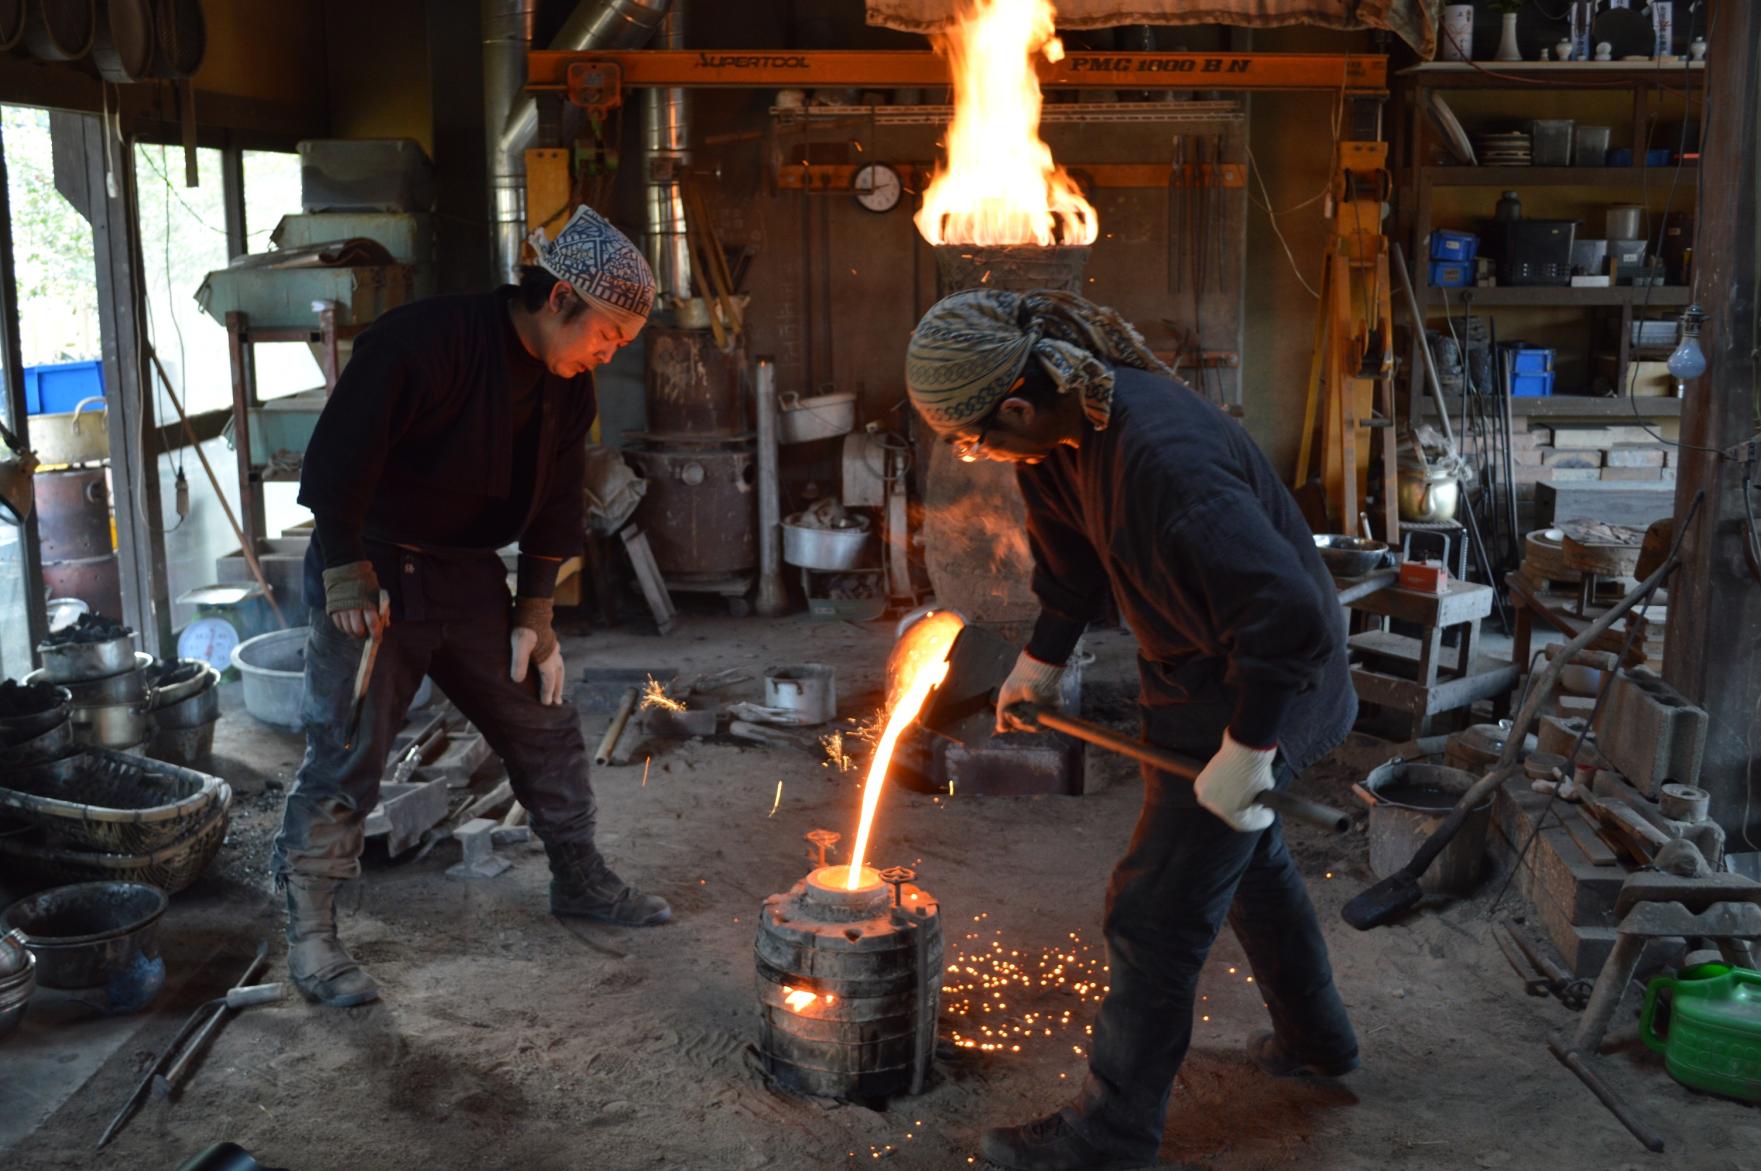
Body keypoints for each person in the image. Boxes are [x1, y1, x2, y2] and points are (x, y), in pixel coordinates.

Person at [905, 290, 1360, 1171]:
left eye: (974, 437)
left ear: (1015, 404)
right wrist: (1037, 659)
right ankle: (1319, 1043)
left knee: (1153, 912)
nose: (977, 454)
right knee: (1248, 864)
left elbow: (1291, 620)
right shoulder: (1059, 431)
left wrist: (1250, 747)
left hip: (1268, 682)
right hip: (1191, 672)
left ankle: (1108, 1138)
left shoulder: (1163, 462)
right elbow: (1072, 564)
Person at [270, 206, 671, 1009]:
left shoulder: (568, 389)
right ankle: (313, 934)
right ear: (558, 298)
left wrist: (536, 613)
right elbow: (338, 454)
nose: (608, 351)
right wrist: (344, 569)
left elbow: (558, 501)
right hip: (374, 569)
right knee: (349, 748)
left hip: (464, 576)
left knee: (542, 717)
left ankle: (580, 877)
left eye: (620, 343)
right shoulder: (422, 341)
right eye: (607, 333)